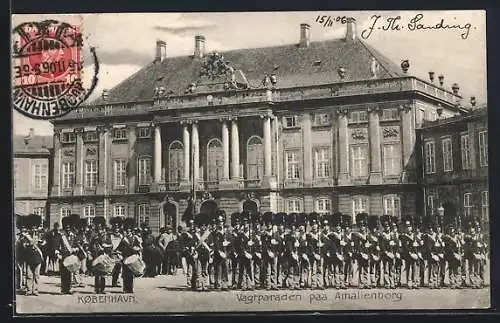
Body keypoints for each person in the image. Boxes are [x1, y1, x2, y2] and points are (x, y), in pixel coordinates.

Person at [116, 226, 142, 293]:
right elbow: (119, 248)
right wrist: (119, 254)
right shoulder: (124, 239)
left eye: (129, 231)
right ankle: (125, 289)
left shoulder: (134, 238)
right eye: (127, 231)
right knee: (125, 274)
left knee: (131, 275)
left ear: (132, 232)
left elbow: (139, 247)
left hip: (132, 257)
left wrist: (137, 250)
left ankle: (130, 289)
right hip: (125, 257)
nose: (128, 232)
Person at [89, 223, 112, 294]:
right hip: (96, 256)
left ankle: (102, 289)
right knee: (97, 273)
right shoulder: (94, 238)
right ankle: (96, 289)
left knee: (103, 273)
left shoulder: (107, 237)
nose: (100, 231)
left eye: (101, 229)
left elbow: (111, 245)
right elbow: (91, 246)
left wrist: (105, 246)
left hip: (104, 255)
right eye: (98, 229)